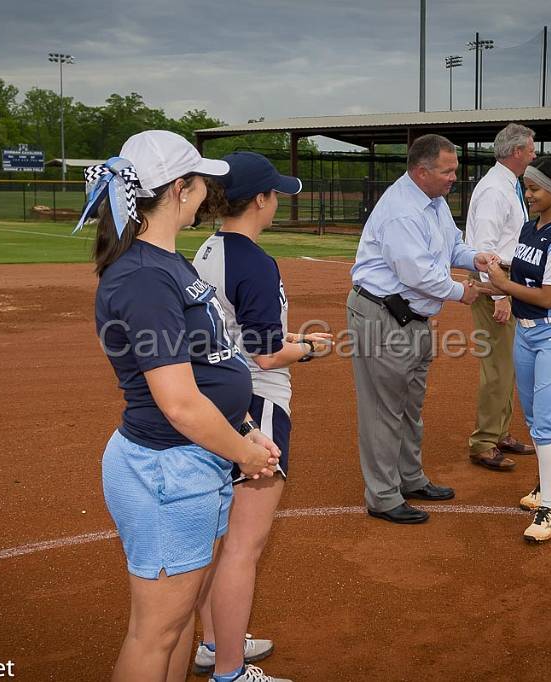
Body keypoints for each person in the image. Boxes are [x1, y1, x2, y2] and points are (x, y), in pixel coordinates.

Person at [76, 130, 279, 682]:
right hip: (168, 467)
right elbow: (179, 402)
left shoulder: (165, 262)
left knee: (176, 626)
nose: (207, 191)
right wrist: (245, 452)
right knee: (156, 632)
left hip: (191, 462)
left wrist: (240, 426)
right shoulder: (144, 276)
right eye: (199, 181)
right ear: (180, 190)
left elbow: (209, 362)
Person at [191, 152, 331, 682]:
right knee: (243, 550)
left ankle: (212, 642)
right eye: (275, 193)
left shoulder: (207, 249)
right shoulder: (253, 259)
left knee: (219, 539)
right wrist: (311, 349)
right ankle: (229, 670)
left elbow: (242, 338)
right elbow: (268, 354)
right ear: (260, 200)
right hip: (258, 406)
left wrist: (293, 340)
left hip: (218, 400)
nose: (278, 201)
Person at [347, 133, 494, 525]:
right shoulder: (402, 210)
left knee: (409, 406)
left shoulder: (434, 203)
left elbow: (452, 248)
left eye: (455, 170)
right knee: (383, 410)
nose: (454, 178)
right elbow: (418, 274)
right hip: (383, 316)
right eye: (447, 171)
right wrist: (463, 292)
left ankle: (409, 478)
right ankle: (382, 495)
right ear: (421, 171)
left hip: (413, 319)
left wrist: (476, 257)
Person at [483, 157, 551, 542]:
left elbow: (546, 296)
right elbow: (522, 271)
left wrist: (501, 284)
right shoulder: (531, 227)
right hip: (527, 335)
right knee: (534, 417)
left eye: (534, 188)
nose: (527, 194)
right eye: (526, 187)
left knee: (545, 423)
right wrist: (493, 276)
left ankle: (549, 511)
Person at [463, 123, 538, 472]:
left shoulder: (507, 185)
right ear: (516, 152)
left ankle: (500, 432)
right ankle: (483, 442)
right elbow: (485, 248)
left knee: (508, 364)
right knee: (497, 366)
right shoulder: (495, 189)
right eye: (531, 147)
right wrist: (499, 296)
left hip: (505, 280)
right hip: (494, 281)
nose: (534, 153)